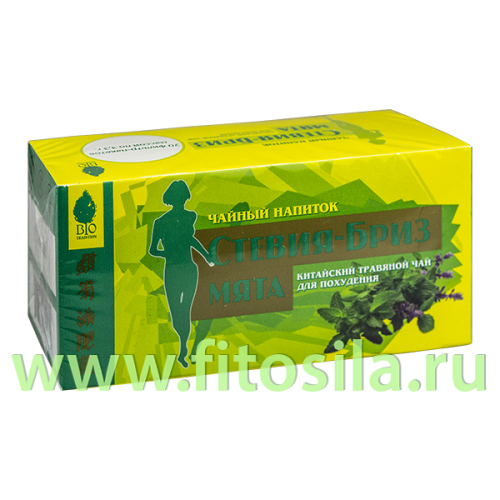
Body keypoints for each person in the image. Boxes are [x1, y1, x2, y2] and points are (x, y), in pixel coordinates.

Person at [149, 180, 213, 368]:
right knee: (177, 313)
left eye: (183, 197)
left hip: (189, 268)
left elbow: (190, 240)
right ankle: (184, 344)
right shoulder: (160, 222)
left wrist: (207, 256)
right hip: (172, 270)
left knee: (185, 309)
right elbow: (153, 249)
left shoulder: (190, 217)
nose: (182, 200)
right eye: (179, 197)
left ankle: (184, 350)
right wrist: (169, 253)